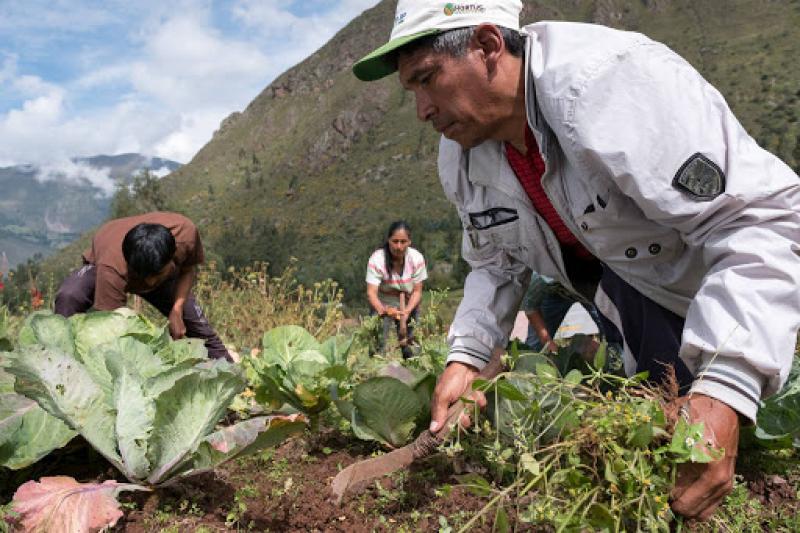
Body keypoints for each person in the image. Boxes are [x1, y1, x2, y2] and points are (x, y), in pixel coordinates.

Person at [351, 0, 800, 521]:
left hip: (723, 290)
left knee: (718, 446)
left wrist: (728, 383)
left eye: (428, 79)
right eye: (413, 90)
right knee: (666, 460)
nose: (422, 109)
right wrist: (468, 358)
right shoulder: (463, 152)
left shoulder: (610, 88)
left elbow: (756, 221)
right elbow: (495, 261)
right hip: (625, 294)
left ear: (490, 46)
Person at [55, 211, 231, 361]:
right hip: (107, 264)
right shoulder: (112, 268)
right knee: (70, 296)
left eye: (156, 276)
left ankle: (234, 377)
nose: (149, 283)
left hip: (162, 275)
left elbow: (187, 270)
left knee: (198, 325)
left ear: (172, 257)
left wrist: (177, 310)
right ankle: (60, 361)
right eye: (144, 277)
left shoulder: (186, 235)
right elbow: (108, 325)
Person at [366, 220, 428, 359]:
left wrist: (406, 312)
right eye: (395, 241)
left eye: (403, 241)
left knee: (413, 346)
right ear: (388, 240)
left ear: (409, 242)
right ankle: (378, 370)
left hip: (409, 303)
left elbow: (417, 291)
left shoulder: (416, 258)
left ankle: (413, 370)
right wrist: (384, 310)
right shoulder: (377, 259)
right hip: (383, 303)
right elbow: (371, 293)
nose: (399, 246)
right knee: (378, 345)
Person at [522, 273, 601, 353]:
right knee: (535, 345)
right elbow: (531, 308)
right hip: (555, 294)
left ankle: (612, 358)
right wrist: (547, 342)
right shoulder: (542, 276)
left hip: (591, 290)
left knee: (611, 333)